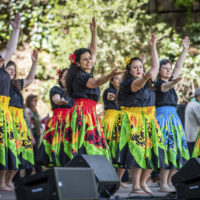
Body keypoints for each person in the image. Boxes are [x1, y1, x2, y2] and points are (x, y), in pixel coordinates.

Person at [116, 34, 167, 195]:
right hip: (134, 120)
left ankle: (144, 183)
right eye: (135, 67)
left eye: (140, 67)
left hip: (149, 120)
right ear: (129, 71)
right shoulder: (127, 83)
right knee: (137, 153)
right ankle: (135, 186)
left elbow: (155, 66)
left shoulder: (148, 82)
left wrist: (153, 46)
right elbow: (137, 85)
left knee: (155, 153)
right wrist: (144, 78)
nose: (139, 69)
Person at [155, 36, 190, 192]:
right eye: (165, 68)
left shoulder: (171, 78)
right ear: (159, 70)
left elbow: (178, 66)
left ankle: (169, 182)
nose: (169, 70)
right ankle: (163, 183)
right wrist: (174, 82)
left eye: (169, 68)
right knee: (167, 151)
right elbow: (165, 87)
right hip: (163, 118)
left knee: (177, 150)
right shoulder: (158, 84)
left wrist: (185, 49)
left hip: (174, 118)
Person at [4, 50, 38, 186]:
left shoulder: (16, 84)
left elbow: (30, 79)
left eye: (13, 70)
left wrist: (34, 63)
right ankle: (2, 182)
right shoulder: (2, 84)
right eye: (9, 69)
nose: (12, 71)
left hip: (20, 122)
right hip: (8, 119)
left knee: (21, 151)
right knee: (8, 151)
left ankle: (9, 181)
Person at [37, 68, 75, 167]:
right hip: (58, 122)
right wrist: (60, 101)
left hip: (71, 123)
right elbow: (56, 99)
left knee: (69, 152)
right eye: (65, 77)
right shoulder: (55, 89)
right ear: (60, 79)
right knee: (58, 150)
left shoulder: (75, 92)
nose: (67, 79)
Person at [0, 13, 21, 191]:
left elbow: (9, 50)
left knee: (4, 147)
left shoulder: (1, 62)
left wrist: (16, 29)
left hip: (3, 110)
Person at [102, 75, 126, 186]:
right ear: (111, 81)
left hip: (122, 120)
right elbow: (110, 96)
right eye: (116, 78)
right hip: (111, 120)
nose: (119, 80)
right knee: (111, 148)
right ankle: (109, 179)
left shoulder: (125, 91)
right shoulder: (108, 91)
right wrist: (113, 96)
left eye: (120, 79)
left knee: (121, 150)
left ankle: (119, 179)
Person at [25, 95, 42, 176]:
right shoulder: (27, 110)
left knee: (36, 155)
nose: (35, 103)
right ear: (29, 101)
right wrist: (31, 137)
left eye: (36, 101)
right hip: (31, 134)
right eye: (33, 101)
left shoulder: (34, 110)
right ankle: (29, 173)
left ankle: (38, 173)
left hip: (36, 133)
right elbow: (28, 124)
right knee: (32, 155)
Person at [185, 88, 200, 157]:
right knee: (195, 161)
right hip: (195, 138)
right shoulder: (197, 105)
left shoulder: (191, 103)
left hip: (190, 137)